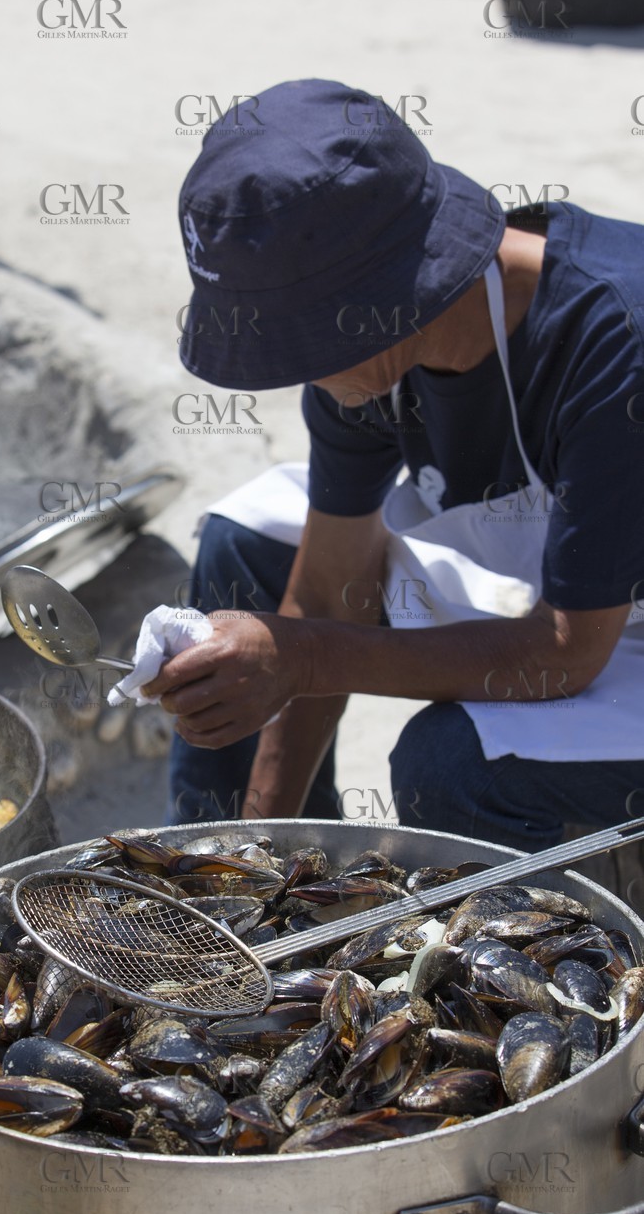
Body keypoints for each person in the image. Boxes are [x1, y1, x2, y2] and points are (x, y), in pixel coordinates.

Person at [152, 78, 644, 851]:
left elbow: (567, 653)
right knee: (245, 549)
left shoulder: (617, 338)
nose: (298, 371)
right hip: (567, 577)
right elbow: (325, 591)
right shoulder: (377, 350)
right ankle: (234, 871)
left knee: (445, 762)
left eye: (304, 342)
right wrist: (259, 851)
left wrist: (303, 658)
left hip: (602, 630)